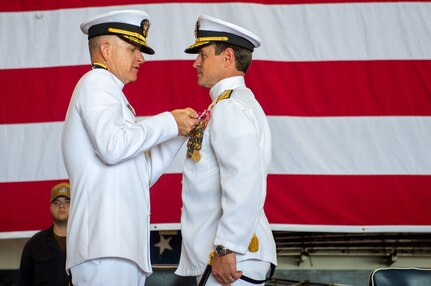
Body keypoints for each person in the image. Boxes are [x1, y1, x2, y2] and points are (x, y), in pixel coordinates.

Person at [61, 9, 199, 286]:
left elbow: (141, 174)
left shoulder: (111, 94)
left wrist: (177, 132)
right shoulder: (97, 83)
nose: (141, 58)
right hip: (104, 246)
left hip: (117, 247)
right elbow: (113, 147)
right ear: (106, 49)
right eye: (133, 48)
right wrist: (168, 121)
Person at [175, 15, 278, 285]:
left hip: (231, 258)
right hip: (228, 255)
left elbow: (244, 179)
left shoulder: (230, 107)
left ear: (228, 57)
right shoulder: (229, 104)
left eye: (203, 54)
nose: (195, 62)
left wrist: (226, 246)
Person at [18, 182, 71, 286]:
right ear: (50, 208)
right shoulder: (34, 245)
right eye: (56, 202)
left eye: (67, 201)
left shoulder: (84, 242)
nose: (61, 206)